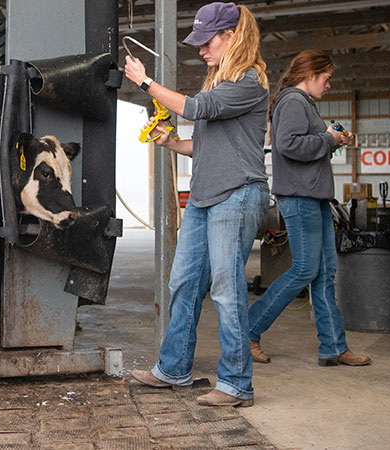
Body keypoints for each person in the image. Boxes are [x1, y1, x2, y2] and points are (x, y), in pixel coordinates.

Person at [123, 1, 270, 407]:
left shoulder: (249, 81)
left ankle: (237, 385)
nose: (201, 50)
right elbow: (204, 145)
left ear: (232, 36)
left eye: (207, 41)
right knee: (183, 283)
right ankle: (173, 369)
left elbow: (196, 108)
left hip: (237, 193)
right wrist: (172, 143)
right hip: (207, 195)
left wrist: (144, 82)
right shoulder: (219, 83)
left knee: (226, 290)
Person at [247, 50, 371, 367]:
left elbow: (305, 143)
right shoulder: (292, 101)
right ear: (311, 74)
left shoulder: (304, 104)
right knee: (305, 269)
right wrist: (328, 139)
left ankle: (333, 347)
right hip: (299, 196)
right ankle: (248, 329)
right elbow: (288, 145)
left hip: (313, 197)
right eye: (326, 78)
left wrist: (332, 139)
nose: (328, 85)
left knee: (326, 272)